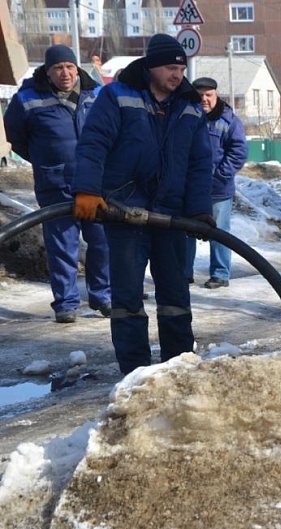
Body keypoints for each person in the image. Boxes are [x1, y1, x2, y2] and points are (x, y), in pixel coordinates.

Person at [71, 34, 215, 374]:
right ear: (151, 66)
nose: (177, 74)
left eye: (181, 67)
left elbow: (199, 163)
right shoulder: (117, 96)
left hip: (171, 215)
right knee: (127, 299)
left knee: (176, 296)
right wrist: (88, 190)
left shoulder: (190, 106)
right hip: (124, 211)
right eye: (169, 67)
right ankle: (134, 372)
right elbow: (93, 144)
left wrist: (199, 210)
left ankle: (179, 367)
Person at [3, 44, 111, 324]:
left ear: (78, 69)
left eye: (70, 67)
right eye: (58, 68)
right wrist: (44, 160)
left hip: (95, 183)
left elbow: (111, 132)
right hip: (56, 185)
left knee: (102, 242)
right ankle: (66, 303)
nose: (65, 73)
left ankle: (102, 295)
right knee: (63, 246)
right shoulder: (27, 99)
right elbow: (17, 138)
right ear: (47, 72)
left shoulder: (97, 95)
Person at [184, 76, 248, 289]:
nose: (204, 99)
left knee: (219, 232)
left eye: (208, 95)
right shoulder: (185, 116)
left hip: (217, 190)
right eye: (200, 95)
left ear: (216, 95)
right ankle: (184, 273)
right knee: (185, 231)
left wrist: (219, 176)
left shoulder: (229, 120)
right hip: (188, 188)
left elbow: (238, 152)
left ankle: (220, 274)